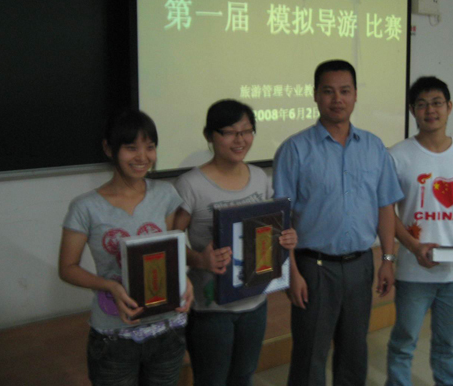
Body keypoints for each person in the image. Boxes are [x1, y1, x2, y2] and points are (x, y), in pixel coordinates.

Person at [273, 59, 404, 385]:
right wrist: (291, 273)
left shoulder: (374, 147)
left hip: (361, 265)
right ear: (315, 95)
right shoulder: (295, 149)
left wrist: (388, 259)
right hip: (313, 268)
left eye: (345, 91)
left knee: (354, 352)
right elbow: (280, 220)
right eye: (328, 91)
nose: (337, 99)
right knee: (310, 356)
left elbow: (385, 206)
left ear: (355, 94)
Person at [58, 109, 193, 386]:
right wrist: (110, 286)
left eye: (150, 147)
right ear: (109, 149)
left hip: (167, 328)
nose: (143, 157)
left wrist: (184, 278)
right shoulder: (85, 207)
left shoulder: (165, 194)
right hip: (115, 335)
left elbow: (171, 250)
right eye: (131, 148)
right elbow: (67, 268)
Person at [173, 99, 297, 386]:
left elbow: (271, 229)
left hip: (255, 301)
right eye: (229, 132)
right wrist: (200, 260)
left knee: (244, 376)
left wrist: (286, 237)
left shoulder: (259, 177)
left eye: (247, 131)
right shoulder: (190, 184)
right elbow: (171, 242)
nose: (240, 140)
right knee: (212, 380)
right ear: (209, 135)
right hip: (211, 308)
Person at [386, 76, 453, 386]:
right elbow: (386, 212)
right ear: (412, 111)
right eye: (422, 104)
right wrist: (413, 246)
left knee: (447, 344)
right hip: (413, 270)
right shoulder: (398, 155)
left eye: (437, 103)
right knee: (403, 342)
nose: (430, 110)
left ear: (449, 107)